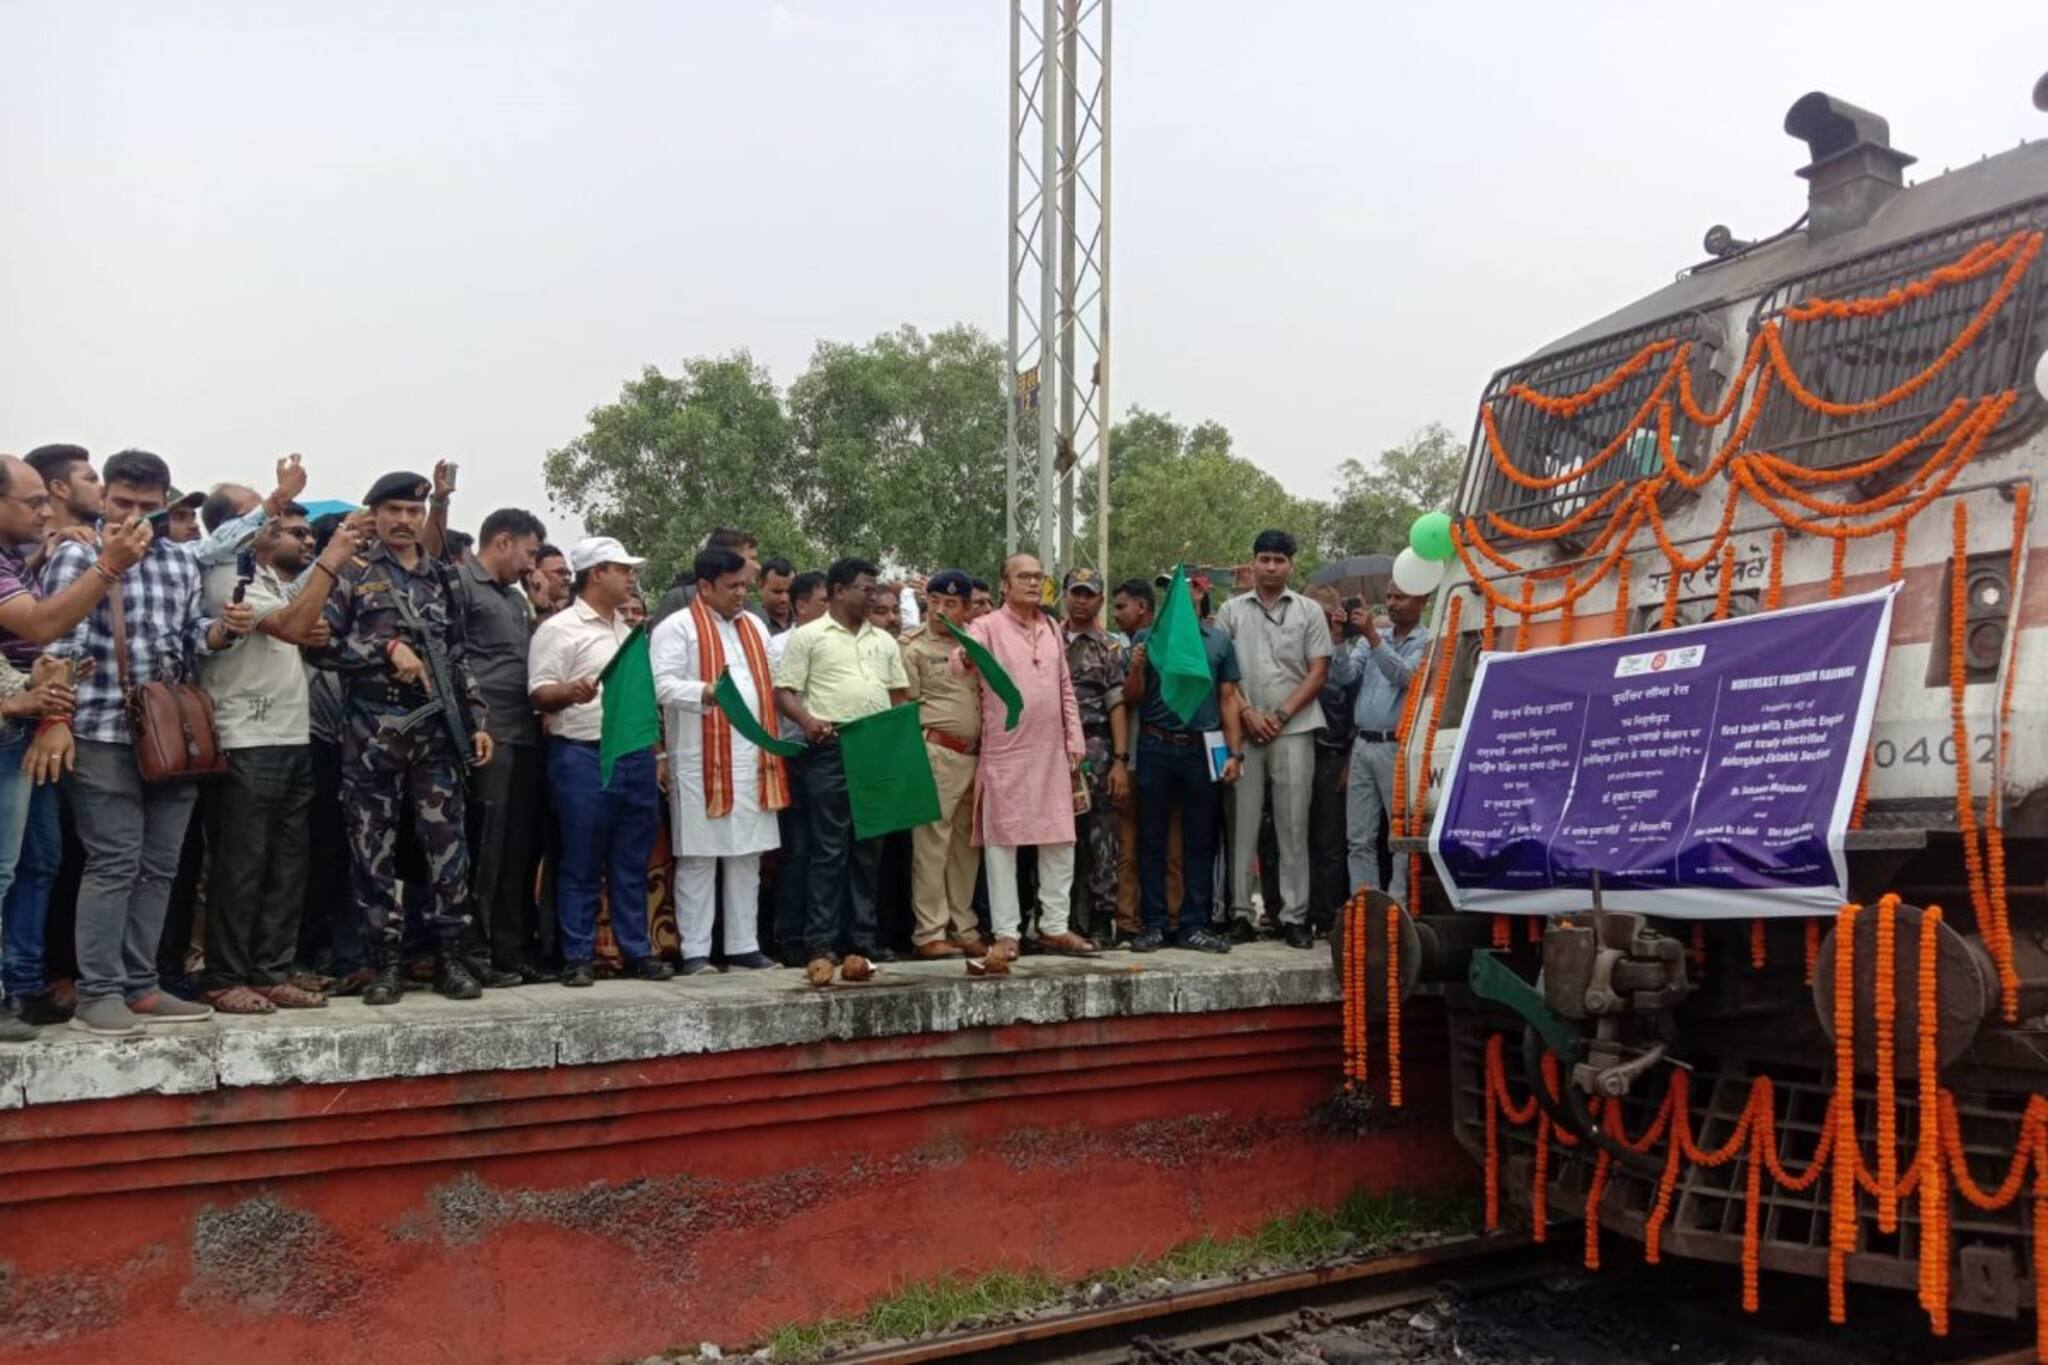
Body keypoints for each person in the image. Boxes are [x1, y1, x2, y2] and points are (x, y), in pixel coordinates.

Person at [40, 449, 256, 1036]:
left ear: (164, 504)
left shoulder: (179, 562)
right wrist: (56, 719)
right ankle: (98, 993)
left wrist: (220, 631)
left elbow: (188, 637)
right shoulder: (79, 555)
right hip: (101, 729)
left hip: (170, 738)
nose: (133, 515)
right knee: (113, 861)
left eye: (148, 506)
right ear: (104, 497)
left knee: (159, 866)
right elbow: (57, 647)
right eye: (122, 502)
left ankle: (140, 986)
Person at [312, 471, 495, 1007]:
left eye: (414, 512)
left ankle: (449, 957)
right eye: (393, 510)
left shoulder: (443, 577)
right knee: (373, 851)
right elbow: (319, 647)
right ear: (374, 515)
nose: (404, 520)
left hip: (437, 733)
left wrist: (478, 720)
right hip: (372, 734)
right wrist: (384, 650)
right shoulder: (354, 573)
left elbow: (459, 656)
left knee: (447, 848)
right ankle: (383, 961)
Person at [196, 504, 357, 1013]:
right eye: (287, 529)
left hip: (291, 733)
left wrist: (313, 627)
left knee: (288, 864)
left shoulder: (273, 578)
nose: (303, 540)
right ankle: (225, 976)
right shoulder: (227, 576)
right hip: (247, 737)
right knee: (242, 865)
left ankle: (270, 971)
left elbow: (303, 625)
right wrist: (332, 560)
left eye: (307, 533)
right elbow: (290, 625)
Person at [0, 454, 138, 1030]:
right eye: (32, 502)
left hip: (26, 725)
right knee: (4, 868)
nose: (44, 512)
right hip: (9, 726)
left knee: (39, 862)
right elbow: (39, 625)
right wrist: (107, 567)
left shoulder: (18, 557)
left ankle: (22, 986)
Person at [529, 536, 673, 987]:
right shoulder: (560, 629)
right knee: (581, 858)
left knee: (632, 860)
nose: (631, 577)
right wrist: (570, 691)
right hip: (582, 754)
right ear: (596, 575)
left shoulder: (628, 633)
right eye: (622, 569)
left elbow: (642, 701)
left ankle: (636, 951)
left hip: (633, 756)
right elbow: (539, 692)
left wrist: (656, 753)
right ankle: (577, 955)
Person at [650, 545, 785, 976]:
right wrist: (706, 692)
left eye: (745, 585)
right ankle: (695, 952)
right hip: (701, 758)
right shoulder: (677, 627)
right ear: (705, 586)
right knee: (699, 857)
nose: (741, 594)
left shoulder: (755, 627)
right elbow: (661, 686)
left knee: (748, 853)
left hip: (753, 759)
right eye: (732, 586)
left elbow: (773, 680)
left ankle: (744, 946)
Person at [774, 556, 908, 987]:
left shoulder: (883, 641)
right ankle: (821, 940)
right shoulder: (809, 636)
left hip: (877, 747)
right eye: (866, 589)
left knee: (869, 847)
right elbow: (784, 692)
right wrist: (808, 721)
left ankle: (863, 938)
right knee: (829, 848)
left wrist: (897, 740)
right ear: (838, 591)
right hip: (829, 746)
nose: (873, 597)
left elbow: (898, 695)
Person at [958, 553, 1092, 972]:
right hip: (1006, 751)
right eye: (1024, 577)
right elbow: (960, 661)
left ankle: (1054, 925)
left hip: (1052, 751)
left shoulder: (1051, 626)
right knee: (1003, 842)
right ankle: (1007, 933)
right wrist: (965, 656)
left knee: (1060, 838)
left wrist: (1074, 738)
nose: (1033, 583)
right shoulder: (986, 626)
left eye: (1038, 577)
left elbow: (1065, 687)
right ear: (1004, 584)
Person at [1213, 529, 1331, 949]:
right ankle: (1241, 915)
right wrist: (1247, 713)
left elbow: (1318, 672)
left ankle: (1294, 917)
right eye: (1264, 558)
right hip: (1243, 730)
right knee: (1241, 826)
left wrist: (1280, 716)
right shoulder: (1230, 611)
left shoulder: (1309, 611)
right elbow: (1222, 672)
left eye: (1279, 560)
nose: (1271, 567)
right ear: (1253, 562)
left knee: (1293, 826)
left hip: (1294, 728)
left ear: (1290, 566)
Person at [454, 508, 549, 984]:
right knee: (484, 848)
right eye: (529, 553)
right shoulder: (461, 584)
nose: (532, 565)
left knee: (516, 849)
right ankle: (472, 954)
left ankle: (509, 950)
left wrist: (540, 607)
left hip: (522, 731)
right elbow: (452, 656)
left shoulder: (515, 599)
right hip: (486, 732)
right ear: (503, 541)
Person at [1124, 576, 1242, 955]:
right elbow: (1132, 698)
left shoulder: (1218, 641)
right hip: (1156, 744)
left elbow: (1228, 700)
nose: (1178, 592)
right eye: (1171, 587)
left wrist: (1234, 754)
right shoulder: (1147, 639)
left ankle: (1194, 924)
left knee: (1201, 839)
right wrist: (1136, 668)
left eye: (1187, 586)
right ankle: (1155, 924)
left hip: (1203, 746)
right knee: (1151, 838)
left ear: (1201, 592)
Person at [899, 570, 986, 961]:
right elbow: (905, 706)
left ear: (966, 608)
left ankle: (963, 926)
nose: (939, 610)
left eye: (950, 603)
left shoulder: (977, 643)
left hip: (976, 755)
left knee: (966, 846)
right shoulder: (913, 646)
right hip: (936, 752)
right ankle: (930, 931)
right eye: (933, 601)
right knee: (932, 844)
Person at [1346, 583, 1431, 907]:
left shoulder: (1426, 641)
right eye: (1389, 597)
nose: (1392, 604)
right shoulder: (1371, 638)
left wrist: (1372, 636)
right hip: (1362, 743)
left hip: (1397, 746)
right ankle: (1364, 907)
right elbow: (1345, 677)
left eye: (1400, 597)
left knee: (1400, 835)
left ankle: (1398, 908)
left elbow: (1407, 677)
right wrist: (1338, 640)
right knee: (1358, 838)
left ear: (1422, 600)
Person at [1060, 568, 1129, 944]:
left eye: (1089, 594)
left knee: (1100, 836)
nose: (1081, 601)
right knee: (1058, 836)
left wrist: (1120, 761)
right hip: (1053, 750)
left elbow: (1117, 704)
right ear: (1065, 595)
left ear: (1100, 600)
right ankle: (1061, 917)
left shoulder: (1110, 646)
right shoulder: (1047, 638)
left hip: (1096, 748)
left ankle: (1102, 917)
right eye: (1076, 592)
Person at [765, 569, 827, 963]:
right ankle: (789, 936)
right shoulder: (778, 646)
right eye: (823, 602)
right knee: (798, 849)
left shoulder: (839, 642)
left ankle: (824, 933)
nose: (830, 609)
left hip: (832, 752)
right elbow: (775, 700)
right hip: (793, 752)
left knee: (829, 850)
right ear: (800, 605)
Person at [1304, 586, 1362, 932]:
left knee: (1329, 840)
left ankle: (1328, 915)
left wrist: (1349, 761)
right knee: (1294, 838)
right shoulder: (1296, 651)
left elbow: (1356, 711)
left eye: (1324, 616)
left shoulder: (1345, 657)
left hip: (1332, 755)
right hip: (1298, 750)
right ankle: (1297, 912)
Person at [652, 528, 759, 627]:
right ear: (728, 558)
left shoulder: (753, 613)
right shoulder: (680, 600)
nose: (758, 567)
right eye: (752, 559)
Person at [525, 544, 571, 621]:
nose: (567, 578)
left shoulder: (569, 611)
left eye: (568, 573)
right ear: (536, 575)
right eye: (560, 572)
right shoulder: (523, 612)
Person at [758, 557, 797, 634]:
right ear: (760, 588)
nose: (784, 599)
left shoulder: (805, 621)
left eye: (789, 592)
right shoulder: (751, 624)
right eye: (777, 592)